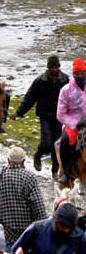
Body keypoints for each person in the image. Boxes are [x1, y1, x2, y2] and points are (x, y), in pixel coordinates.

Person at [0, 146, 46, 246]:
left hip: (2, 234)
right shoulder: (29, 178)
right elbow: (39, 208)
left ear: (8, 160)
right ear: (23, 161)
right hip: (25, 234)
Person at [15, 55, 68, 171]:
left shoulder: (66, 80)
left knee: (57, 145)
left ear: (59, 67)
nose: (54, 70)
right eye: (52, 67)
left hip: (61, 118)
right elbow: (29, 98)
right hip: (45, 116)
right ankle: (38, 155)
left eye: (56, 67)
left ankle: (55, 169)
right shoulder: (40, 81)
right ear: (48, 68)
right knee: (46, 142)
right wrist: (19, 112)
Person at [57, 58, 86, 187]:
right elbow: (60, 114)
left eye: (82, 74)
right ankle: (66, 173)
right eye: (77, 74)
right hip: (72, 124)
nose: (80, 76)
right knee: (65, 141)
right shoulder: (66, 90)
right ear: (73, 74)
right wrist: (76, 123)